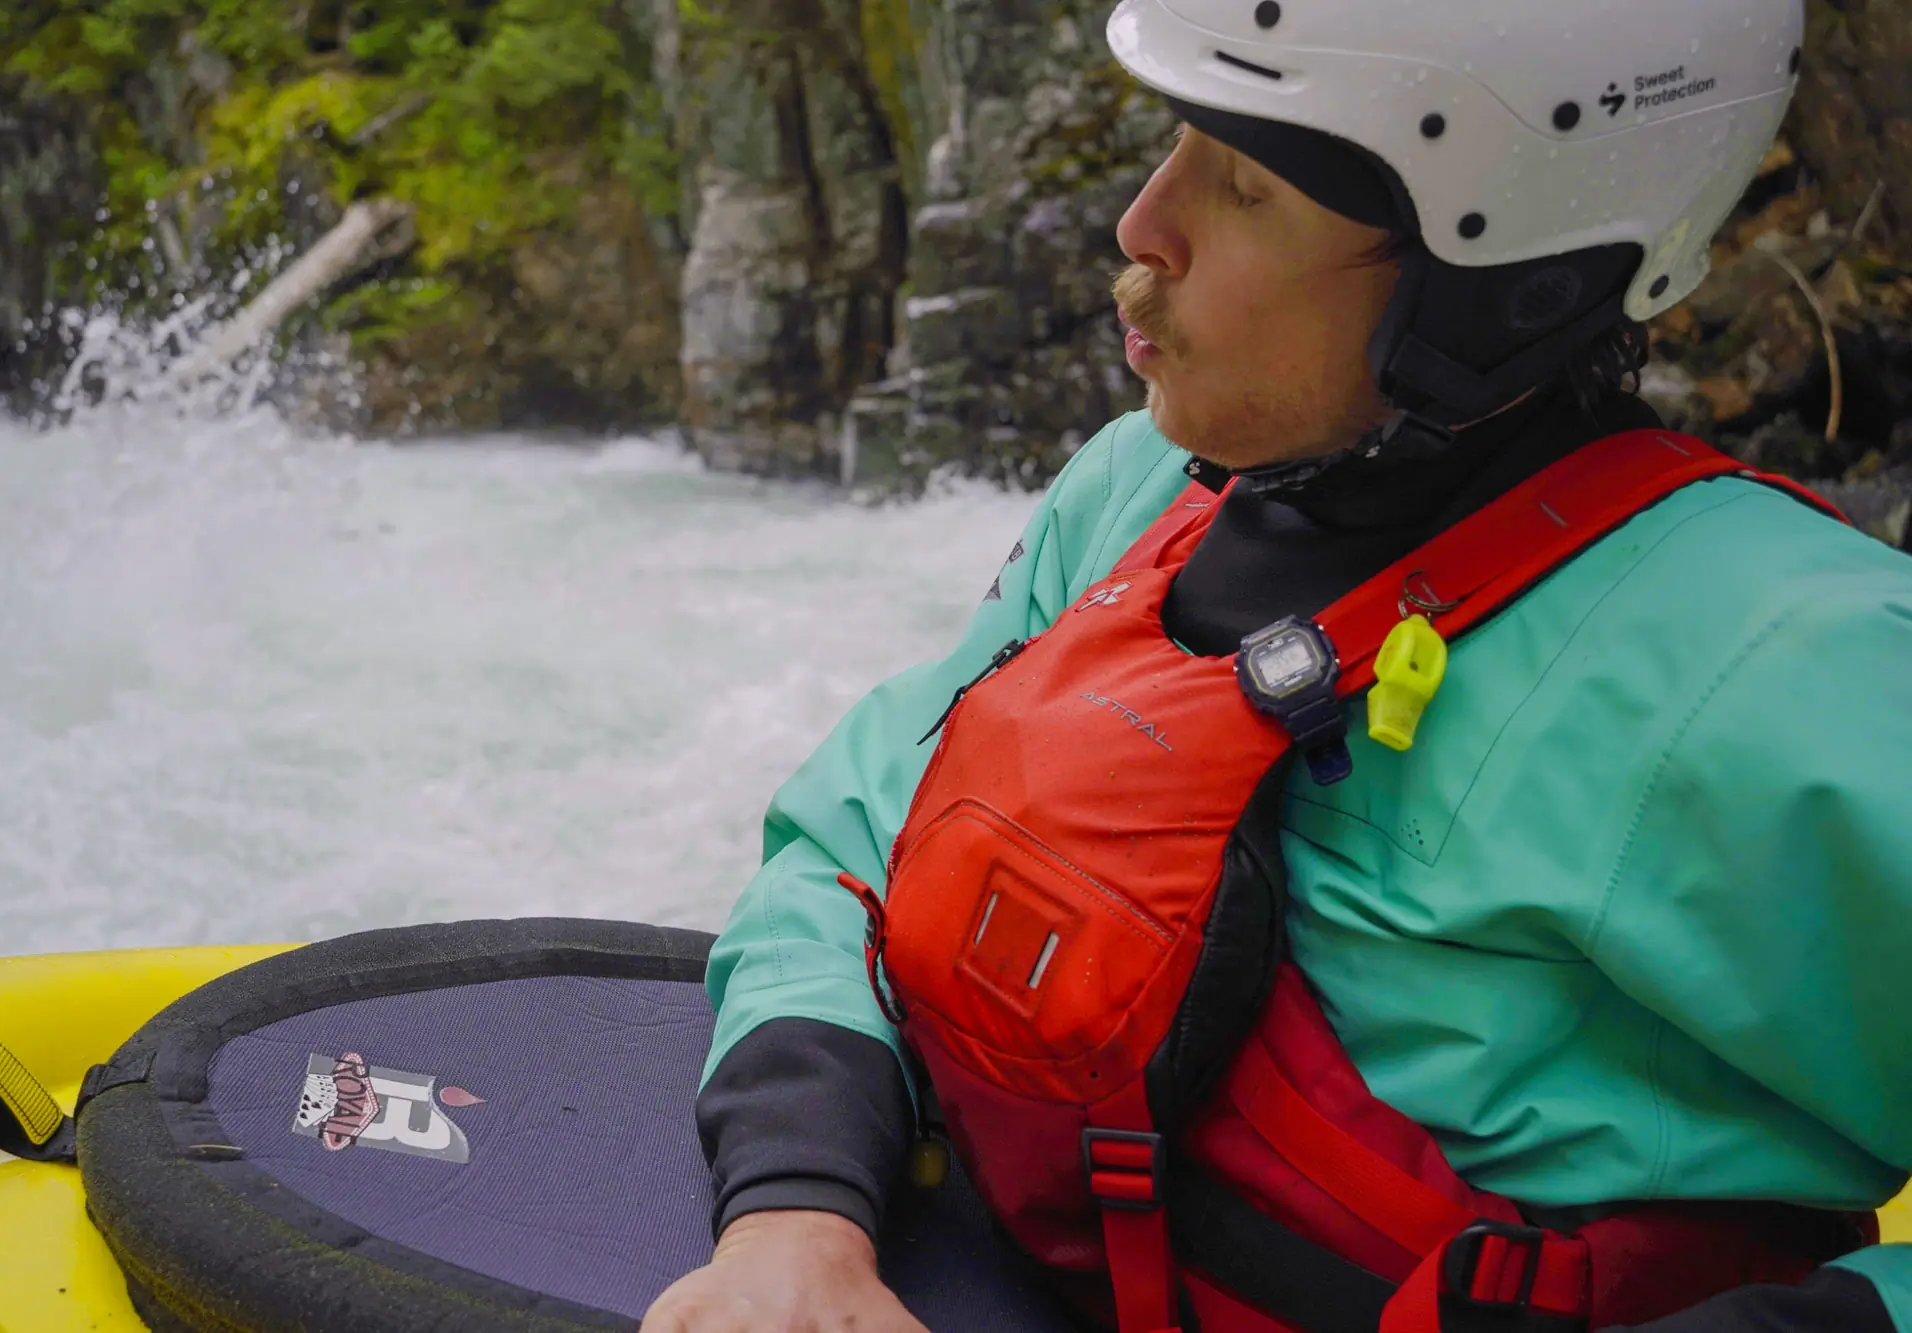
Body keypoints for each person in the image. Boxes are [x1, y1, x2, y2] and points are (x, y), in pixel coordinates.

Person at [643, 0, 1912, 1329]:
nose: (1143, 224)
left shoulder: (1796, 668)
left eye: (1248, 185)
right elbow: (854, 839)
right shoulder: (1142, 493)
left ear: (1500, 285)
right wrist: (798, 1211)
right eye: (1180, 140)